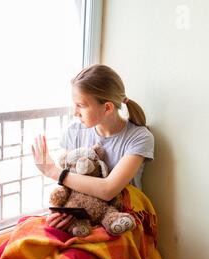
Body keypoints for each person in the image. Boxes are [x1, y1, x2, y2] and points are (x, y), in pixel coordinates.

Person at [32, 64, 154, 232]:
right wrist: (63, 213)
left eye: (81, 105)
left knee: (77, 258)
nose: (75, 112)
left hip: (121, 219)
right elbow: (72, 185)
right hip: (82, 217)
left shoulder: (139, 137)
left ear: (107, 108)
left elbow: (108, 190)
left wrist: (53, 171)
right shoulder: (74, 131)